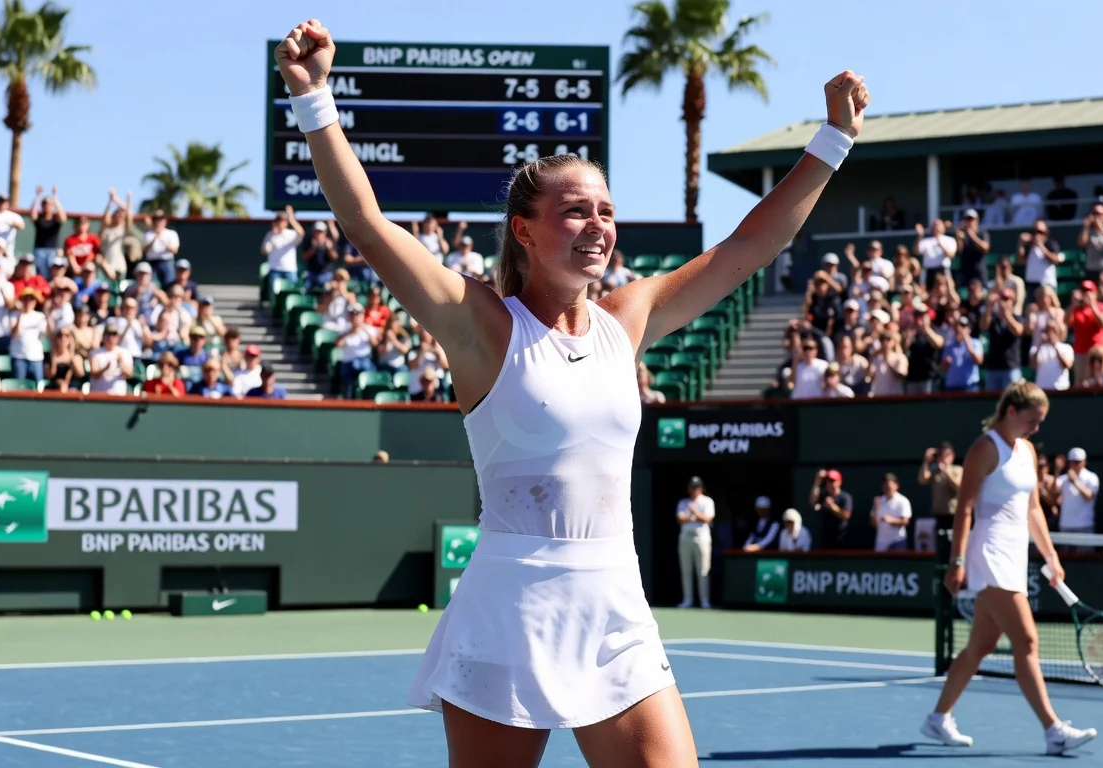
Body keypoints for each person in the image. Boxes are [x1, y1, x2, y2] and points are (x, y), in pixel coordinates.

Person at [277, 20, 871, 763]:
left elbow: (750, 246)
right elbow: (366, 226)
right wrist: (314, 97)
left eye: (607, 212)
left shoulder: (630, 315)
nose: (599, 227)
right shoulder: (480, 324)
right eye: (576, 211)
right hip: (509, 606)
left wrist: (833, 141)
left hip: (616, 603)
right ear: (523, 231)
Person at [921, 381, 1097, 755]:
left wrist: (1051, 557)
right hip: (988, 552)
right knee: (1027, 641)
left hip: (1016, 554)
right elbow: (964, 508)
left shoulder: (1029, 451)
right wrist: (957, 561)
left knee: (981, 645)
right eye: (1033, 420)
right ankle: (1054, 731)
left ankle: (938, 719)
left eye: (1041, 422)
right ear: (1012, 411)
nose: (1037, 428)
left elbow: (1033, 509)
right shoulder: (984, 448)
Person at [675, 476, 716, 610]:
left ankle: (705, 601)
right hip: (685, 538)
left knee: (703, 570)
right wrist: (695, 517)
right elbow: (680, 519)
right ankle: (688, 600)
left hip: (702, 538)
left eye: (697, 487)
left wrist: (694, 513)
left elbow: (708, 518)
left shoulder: (707, 501)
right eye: (692, 487)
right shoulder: (683, 502)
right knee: (686, 570)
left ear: (702, 489)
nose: (694, 490)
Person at [1054, 447, 1099, 534]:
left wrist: (1074, 481)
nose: (1076, 464)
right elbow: (1054, 491)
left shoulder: (1092, 477)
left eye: (1078, 462)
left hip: (1084, 525)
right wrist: (1057, 471)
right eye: (1073, 462)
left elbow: (1089, 496)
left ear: (1084, 462)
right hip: (1065, 526)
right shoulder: (1063, 478)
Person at [871, 473, 912, 551]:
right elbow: (874, 524)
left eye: (890, 485)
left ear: (896, 486)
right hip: (881, 542)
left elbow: (905, 521)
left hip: (898, 541)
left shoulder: (903, 501)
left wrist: (890, 520)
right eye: (885, 485)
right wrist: (876, 509)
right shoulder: (878, 501)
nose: (887, 487)